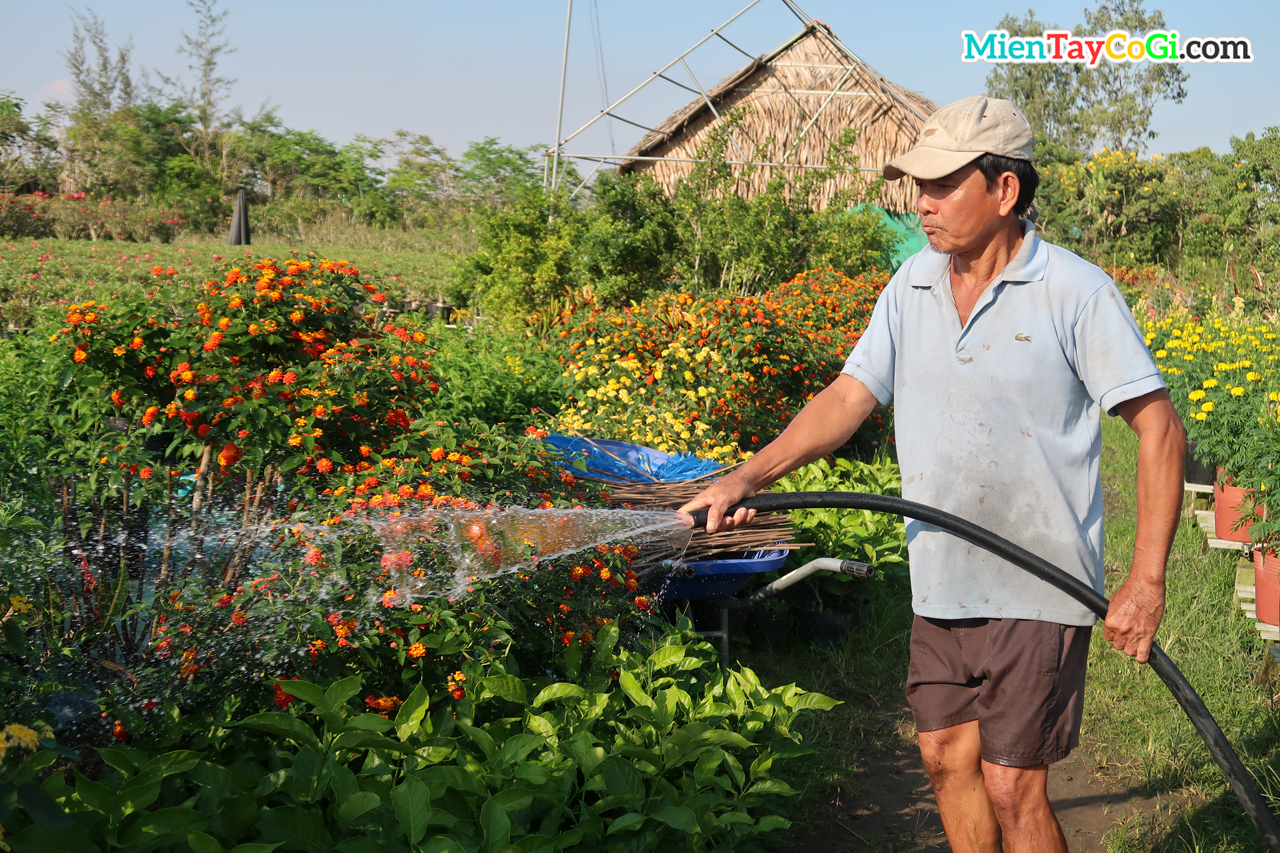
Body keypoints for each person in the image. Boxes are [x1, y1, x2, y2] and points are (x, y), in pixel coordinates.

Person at [679, 94, 1185, 853]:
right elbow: (849, 397)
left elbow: (1159, 428)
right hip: (940, 571)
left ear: (1005, 189)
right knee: (944, 757)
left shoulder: (1075, 293)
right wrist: (745, 477)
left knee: (1014, 784)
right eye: (918, 185)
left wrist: (1146, 582)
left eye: (943, 183)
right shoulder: (911, 284)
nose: (923, 203)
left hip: (1039, 579)